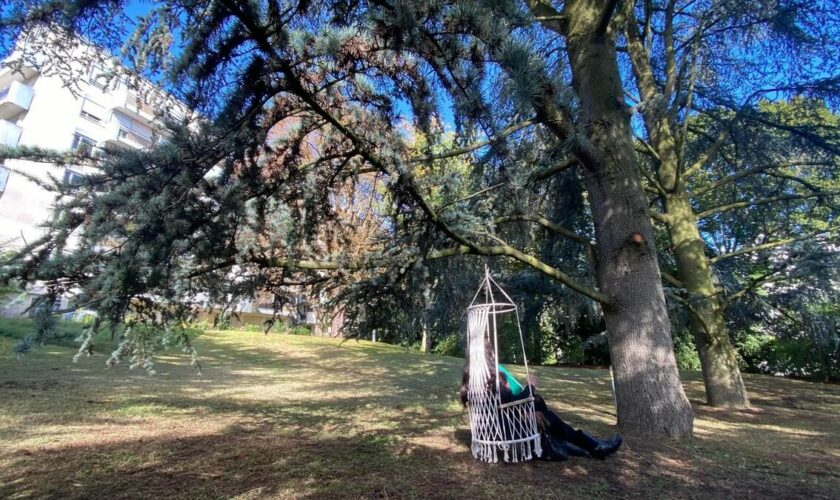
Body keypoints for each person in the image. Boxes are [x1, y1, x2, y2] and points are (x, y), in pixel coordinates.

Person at [461, 357, 622, 461]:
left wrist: (525, 411)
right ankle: (592, 446)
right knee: (547, 416)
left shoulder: (474, 384)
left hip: (497, 425)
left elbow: (501, 407)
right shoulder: (490, 383)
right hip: (503, 429)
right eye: (490, 354)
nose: (493, 356)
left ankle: (579, 444)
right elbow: (513, 402)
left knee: (539, 405)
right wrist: (530, 385)